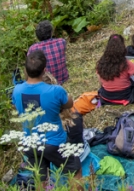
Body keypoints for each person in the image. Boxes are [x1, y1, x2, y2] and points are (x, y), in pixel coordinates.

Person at [12, 50, 80, 179]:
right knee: (75, 173)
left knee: (40, 179)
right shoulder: (55, 90)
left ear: (25, 70)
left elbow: (17, 106)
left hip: (30, 142)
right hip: (54, 142)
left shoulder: (17, 90)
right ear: (44, 70)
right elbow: (69, 104)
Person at [96, 34, 134, 104]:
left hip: (107, 96)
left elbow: (101, 82)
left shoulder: (101, 63)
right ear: (122, 47)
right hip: (125, 95)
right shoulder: (125, 63)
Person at [29, 20, 68, 85]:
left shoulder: (33, 48)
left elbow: (30, 66)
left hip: (44, 82)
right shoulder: (61, 42)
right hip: (62, 78)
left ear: (37, 35)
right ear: (51, 32)